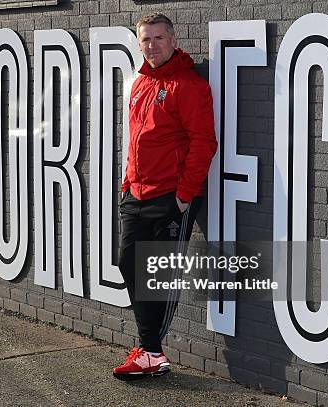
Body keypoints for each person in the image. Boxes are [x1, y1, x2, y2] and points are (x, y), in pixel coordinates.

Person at [113, 13, 217, 380]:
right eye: (145, 40)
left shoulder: (187, 85)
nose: (152, 46)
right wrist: (127, 183)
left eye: (159, 38)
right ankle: (149, 348)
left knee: (159, 274)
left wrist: (185, 197)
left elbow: (204, 143)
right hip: (136, 194)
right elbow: (137, 141)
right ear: (139, 43)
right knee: (128, 262)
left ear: (173, 40)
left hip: (172, 196)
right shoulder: (141, 82)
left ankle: (151, 352)